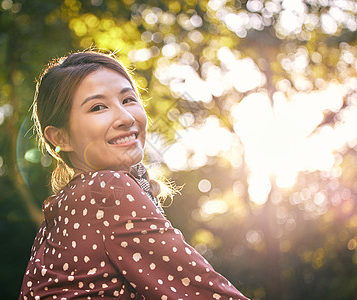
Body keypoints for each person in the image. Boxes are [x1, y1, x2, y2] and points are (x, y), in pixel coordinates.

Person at [18, 50, 249, 300]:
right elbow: (201, 290)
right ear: (61, 137)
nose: (126, 118)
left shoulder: (63, 211)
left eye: (128, 99)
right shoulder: (106, 190)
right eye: (98, 107)